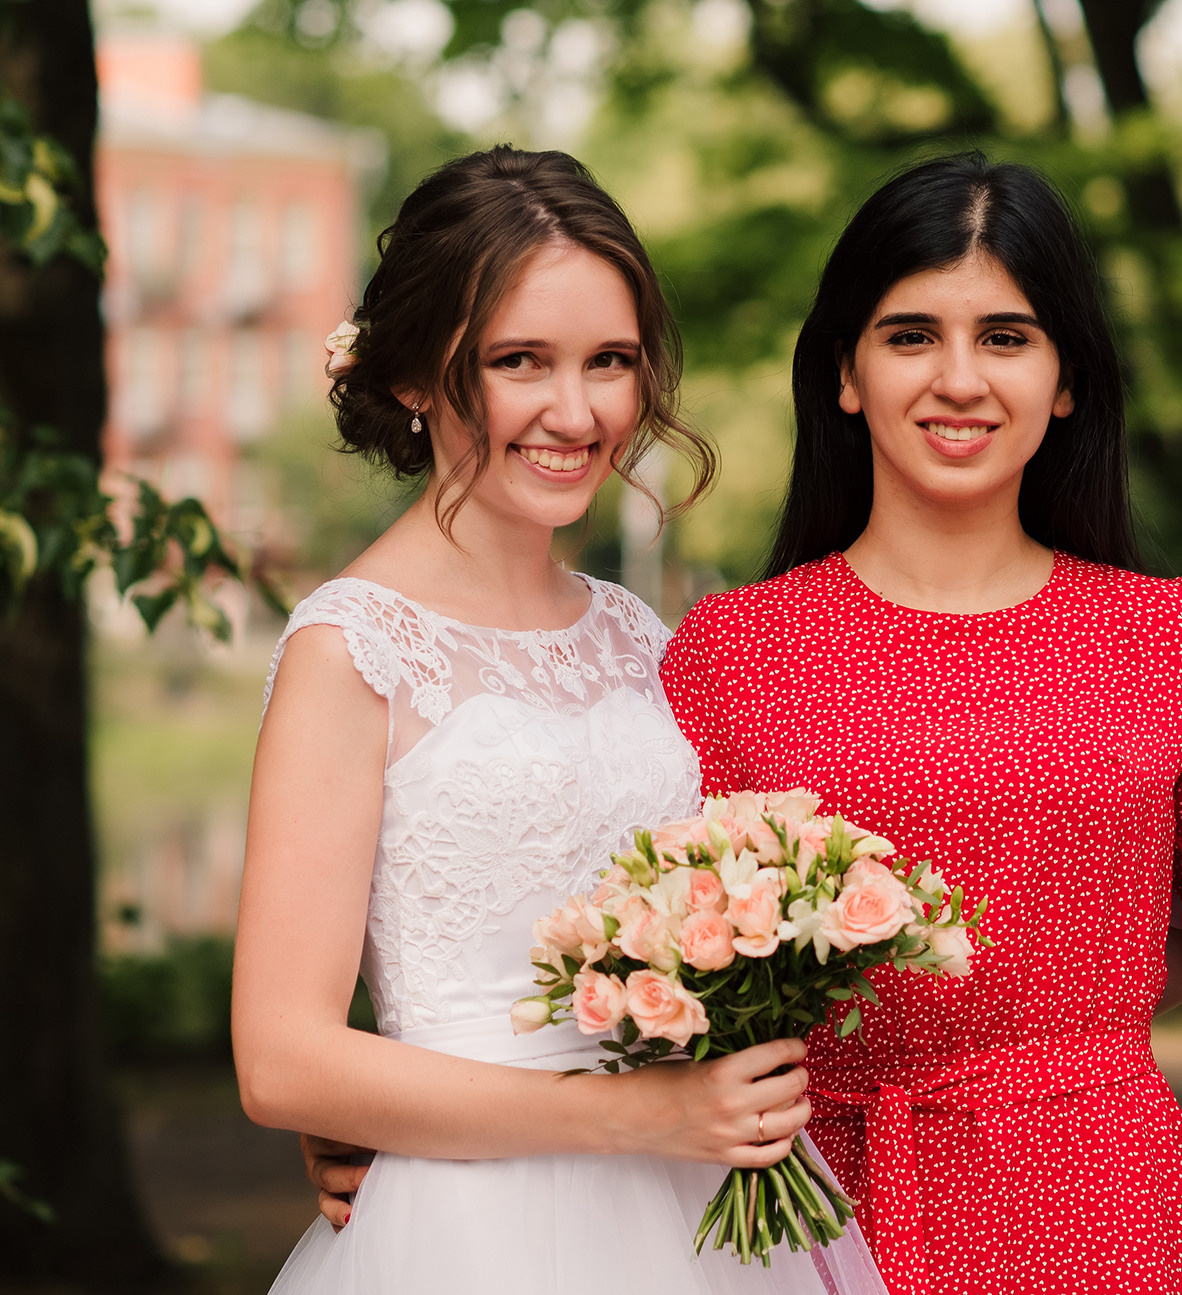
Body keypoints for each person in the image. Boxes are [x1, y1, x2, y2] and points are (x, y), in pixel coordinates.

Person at [235, 145, 884, 1295]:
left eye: (611, 362)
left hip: (694, 1202)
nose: (576, 411)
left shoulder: (636, 633)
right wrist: (635, 1114)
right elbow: (282, 1058)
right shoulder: (352, 653)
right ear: (416, 376)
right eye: (519, 361)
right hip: (469, 1228)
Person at [657, 152, 1182, 1295]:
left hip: (1101, 1207)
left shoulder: (1166, 637)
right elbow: (648, 961)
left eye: (1008, 337)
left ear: (1068, 378)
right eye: (910, 334)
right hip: (805, 1201)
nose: (958, 378)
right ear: (844, 372)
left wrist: (1047, 1040)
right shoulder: (729, 650)